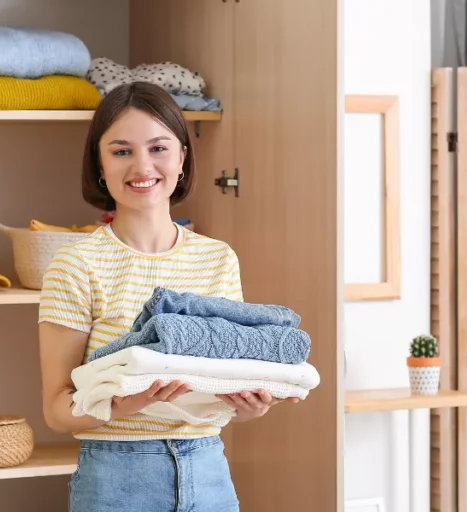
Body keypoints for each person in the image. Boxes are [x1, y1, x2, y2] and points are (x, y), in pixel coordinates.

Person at [37, 81, 297, 512]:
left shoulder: (218, 259)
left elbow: (224, 383)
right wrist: (120, 404)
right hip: (117, 479)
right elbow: (57, 408)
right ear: (99, 164)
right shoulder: (76, 265)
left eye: (158, 148)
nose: (142, 166)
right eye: (121, 151)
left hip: (209, 470)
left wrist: (251, 405)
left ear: (182, 158)